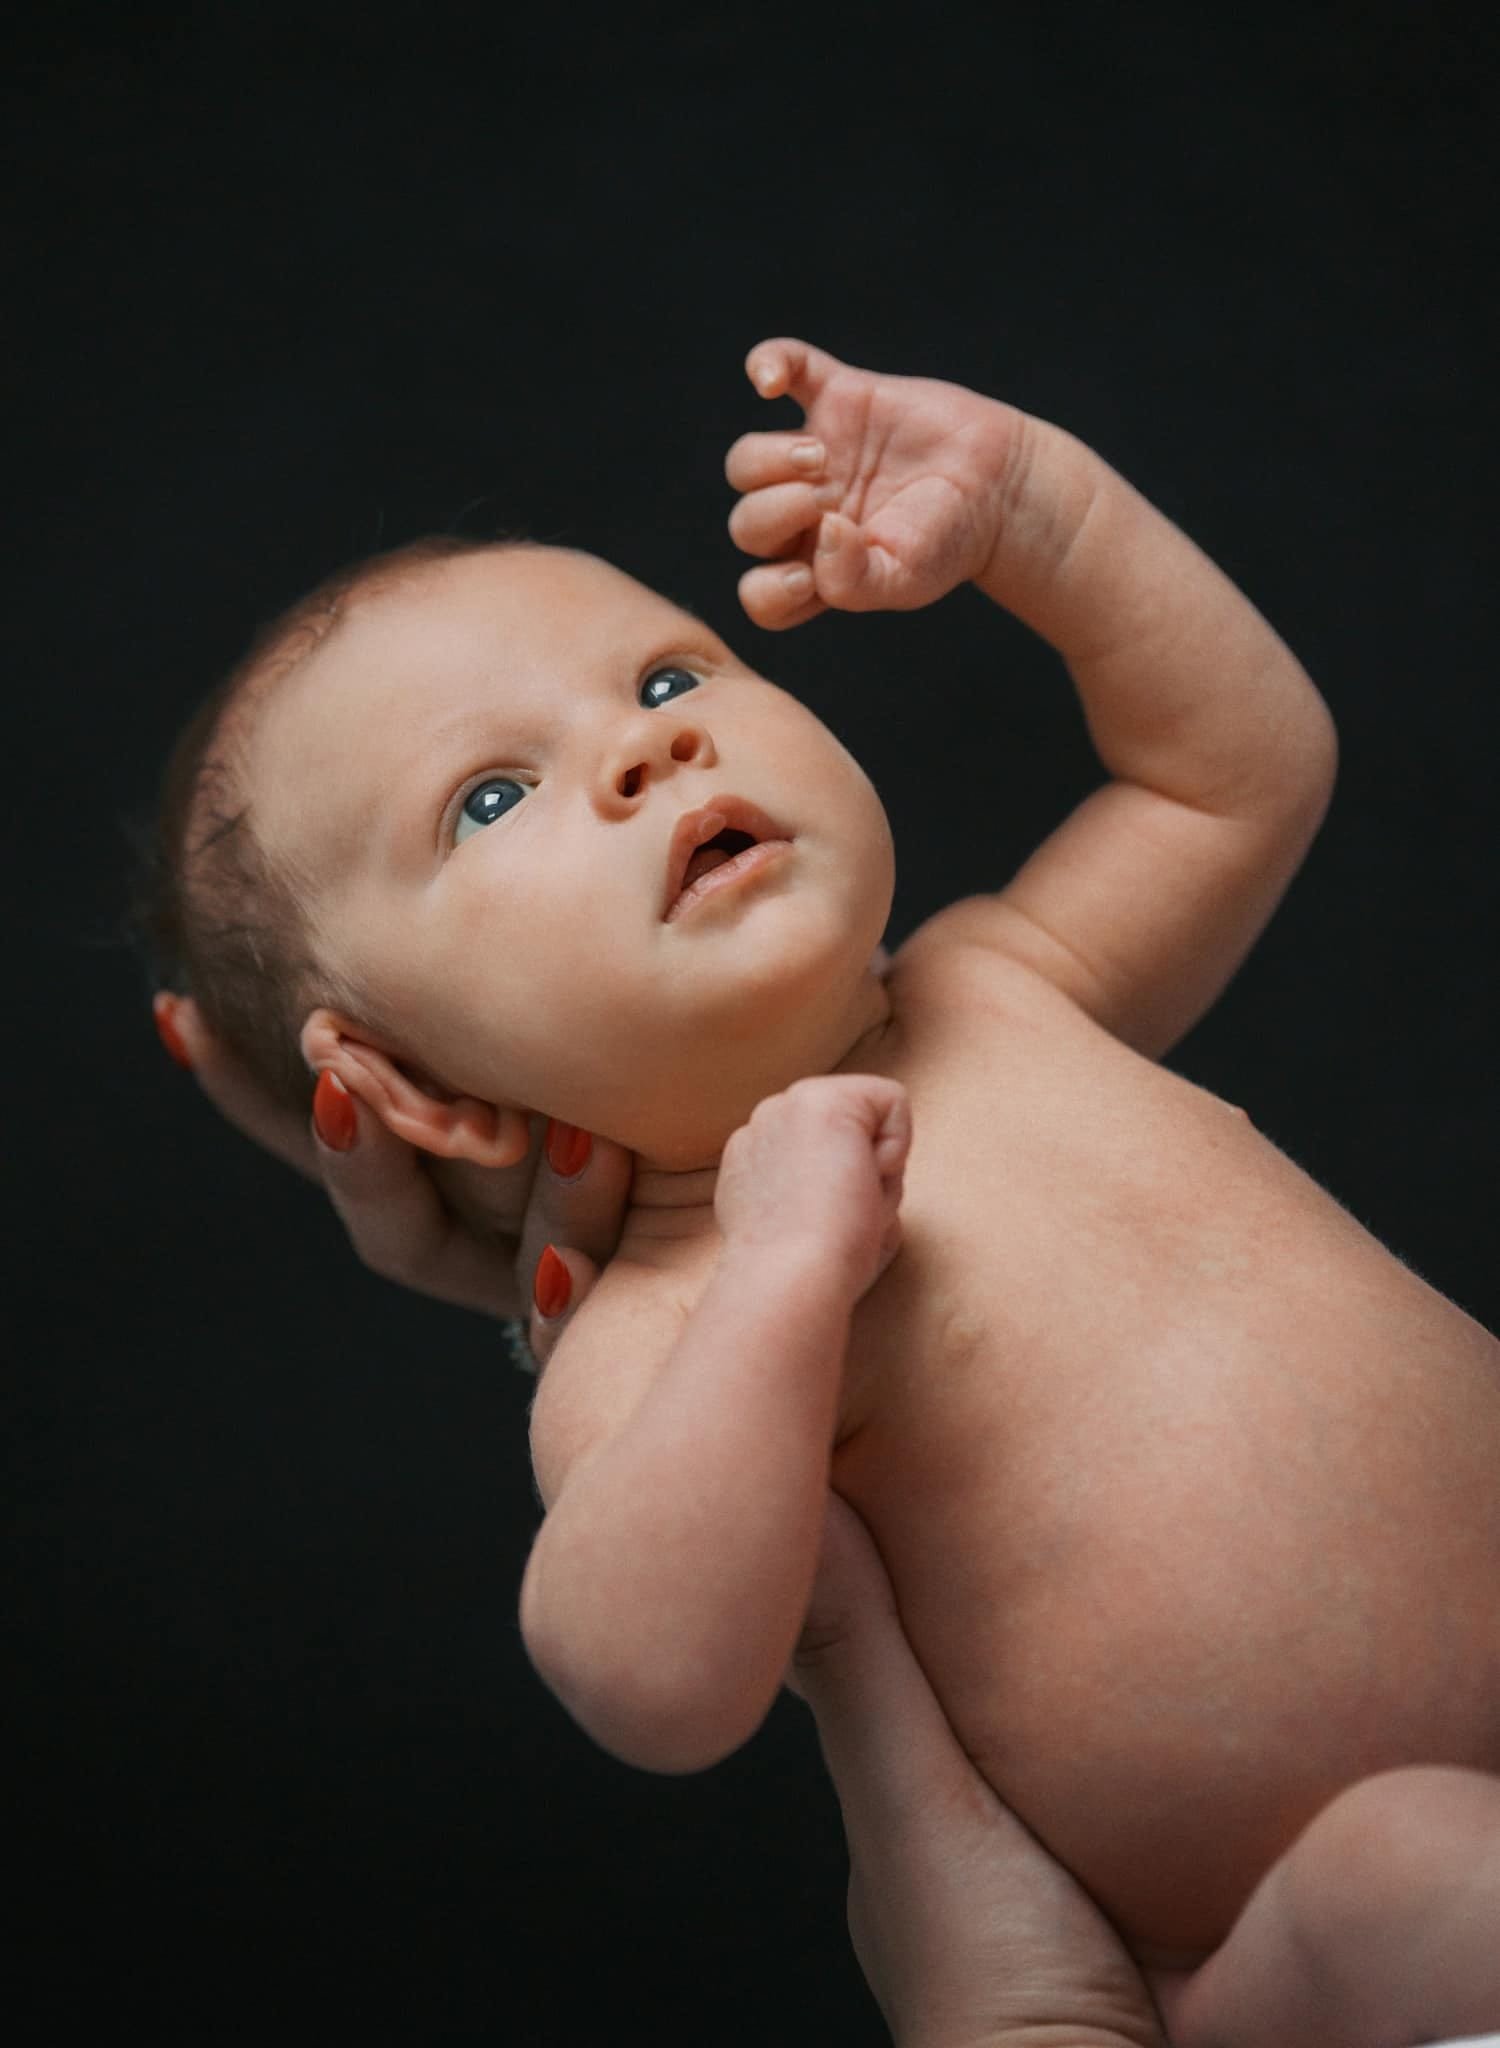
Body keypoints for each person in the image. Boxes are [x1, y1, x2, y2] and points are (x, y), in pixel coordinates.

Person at [139, 338, 1500, 2046]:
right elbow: (649, 1682)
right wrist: (785, 1273)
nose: (653, 753)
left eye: (659, 678)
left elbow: (1237, 767)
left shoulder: (1006, 983)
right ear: (410, 1087)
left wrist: (1034, 513)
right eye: (488, 800)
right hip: (1323, 1946)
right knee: (1421, 1869)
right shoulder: (661, 1324)